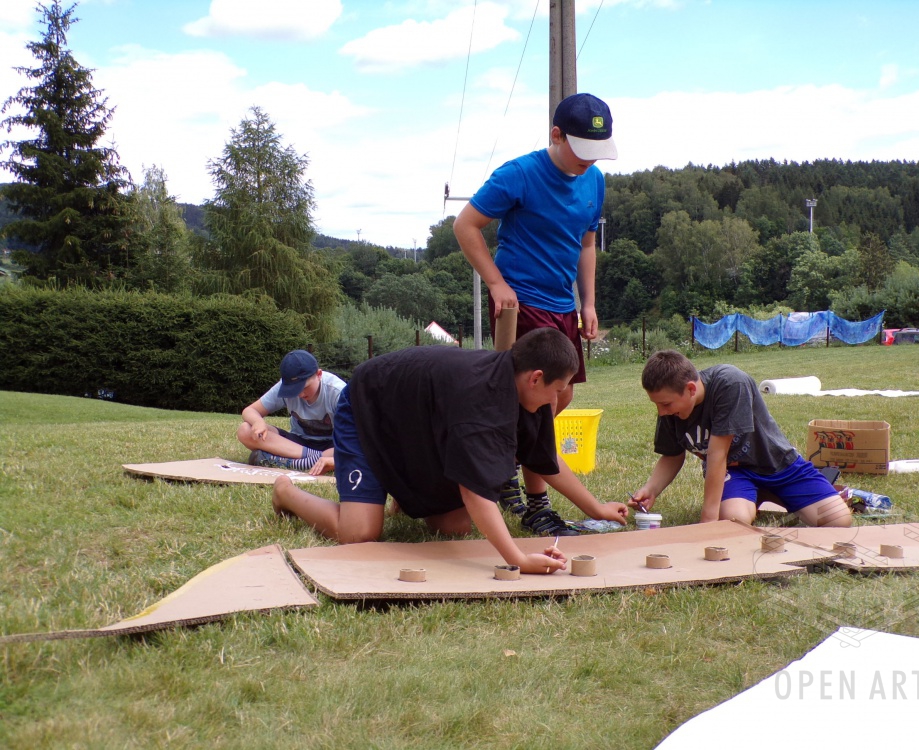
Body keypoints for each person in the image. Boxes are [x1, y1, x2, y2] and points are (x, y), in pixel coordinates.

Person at [271, 328, 630, 574]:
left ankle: (402, 492)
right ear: (535, 377)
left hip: (415, 423)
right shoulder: (481, 405)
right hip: (370, 406)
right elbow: (474, 492)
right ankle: (286, 494)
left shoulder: (524, 392)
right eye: (559, 389)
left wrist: (596, 508)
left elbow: (546, 460)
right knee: (360, 533)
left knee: (455, 526)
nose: (558, 398)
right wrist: (518, 558)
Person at [453, 92, 618, 535]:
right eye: (581, 150)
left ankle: (507, 463)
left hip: (563, 306)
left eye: (596, 152)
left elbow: (586, 243)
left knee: (561, 398)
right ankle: (537, 506)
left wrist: (588, 302)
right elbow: (465, 225)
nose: (588, 161)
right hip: (521, 303)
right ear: (556, 135)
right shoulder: (518, 174)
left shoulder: (594, 180)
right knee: (539, 402)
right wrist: (495, 282)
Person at [627, 350, 852, 528]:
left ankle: (771, 493)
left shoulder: (730, 383)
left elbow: (717, 453)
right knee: (734, 521)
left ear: (691, 389)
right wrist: (651, 489)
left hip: (779, 465)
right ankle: (754, 495)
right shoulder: (670, 411)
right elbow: (672, 455)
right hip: (734, 473)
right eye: (657, 405)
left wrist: (707, 522)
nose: (662, 412)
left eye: (665, 404)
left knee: (838, 520)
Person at [237, 349, 346, 472]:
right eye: (294, 390)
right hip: (297, 444)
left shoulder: (338, 392)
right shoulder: (284, 386)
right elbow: (250, 410)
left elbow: (354, 436)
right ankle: (315, 459)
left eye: (304, 387)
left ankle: (290, 462)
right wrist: (258, 421)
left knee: (353, 447)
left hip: (332, 444)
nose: (300, 394)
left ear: (319, 374)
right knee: (245, 430)